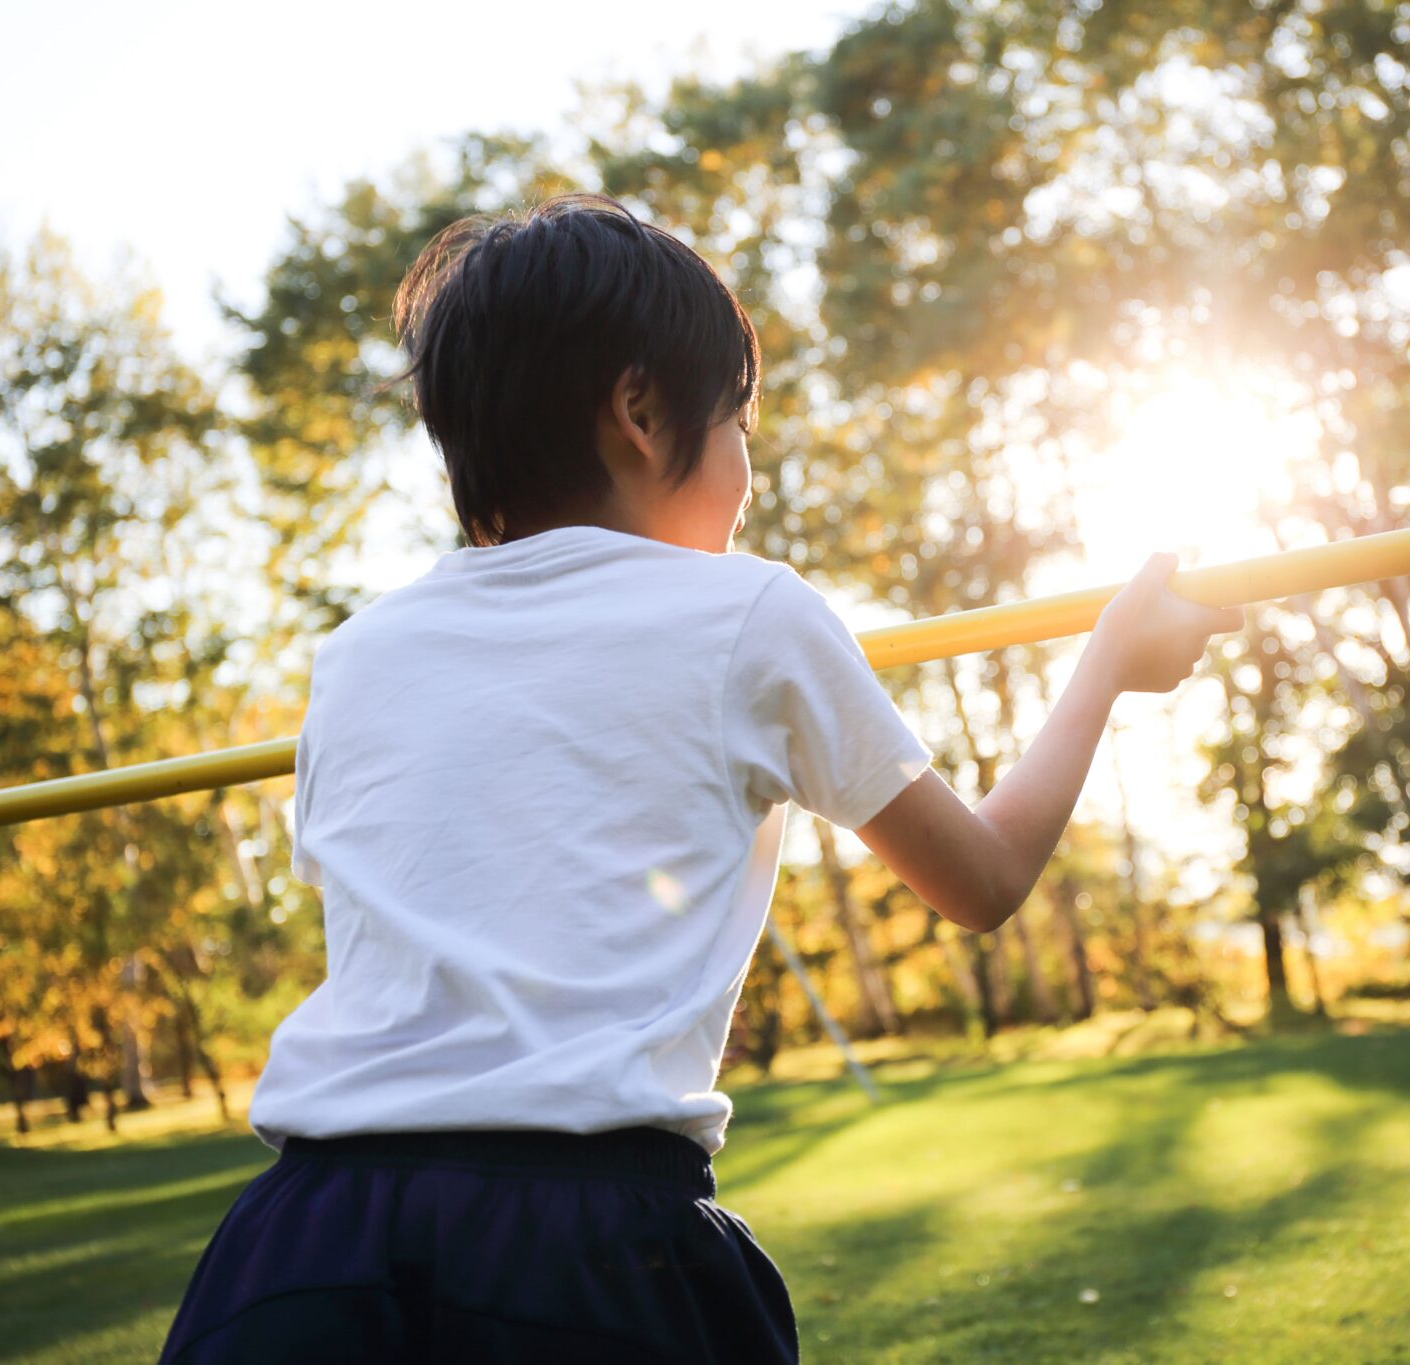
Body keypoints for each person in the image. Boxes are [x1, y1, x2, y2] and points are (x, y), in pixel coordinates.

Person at [158, 192, 1240, 1363]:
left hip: (302, 1248)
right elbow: (981, 879)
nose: (748, 472)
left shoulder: (355, 654)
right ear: (638, 411)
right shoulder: (748, 612)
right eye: (737, 425)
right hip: (580, 1254)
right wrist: (1107, 668)